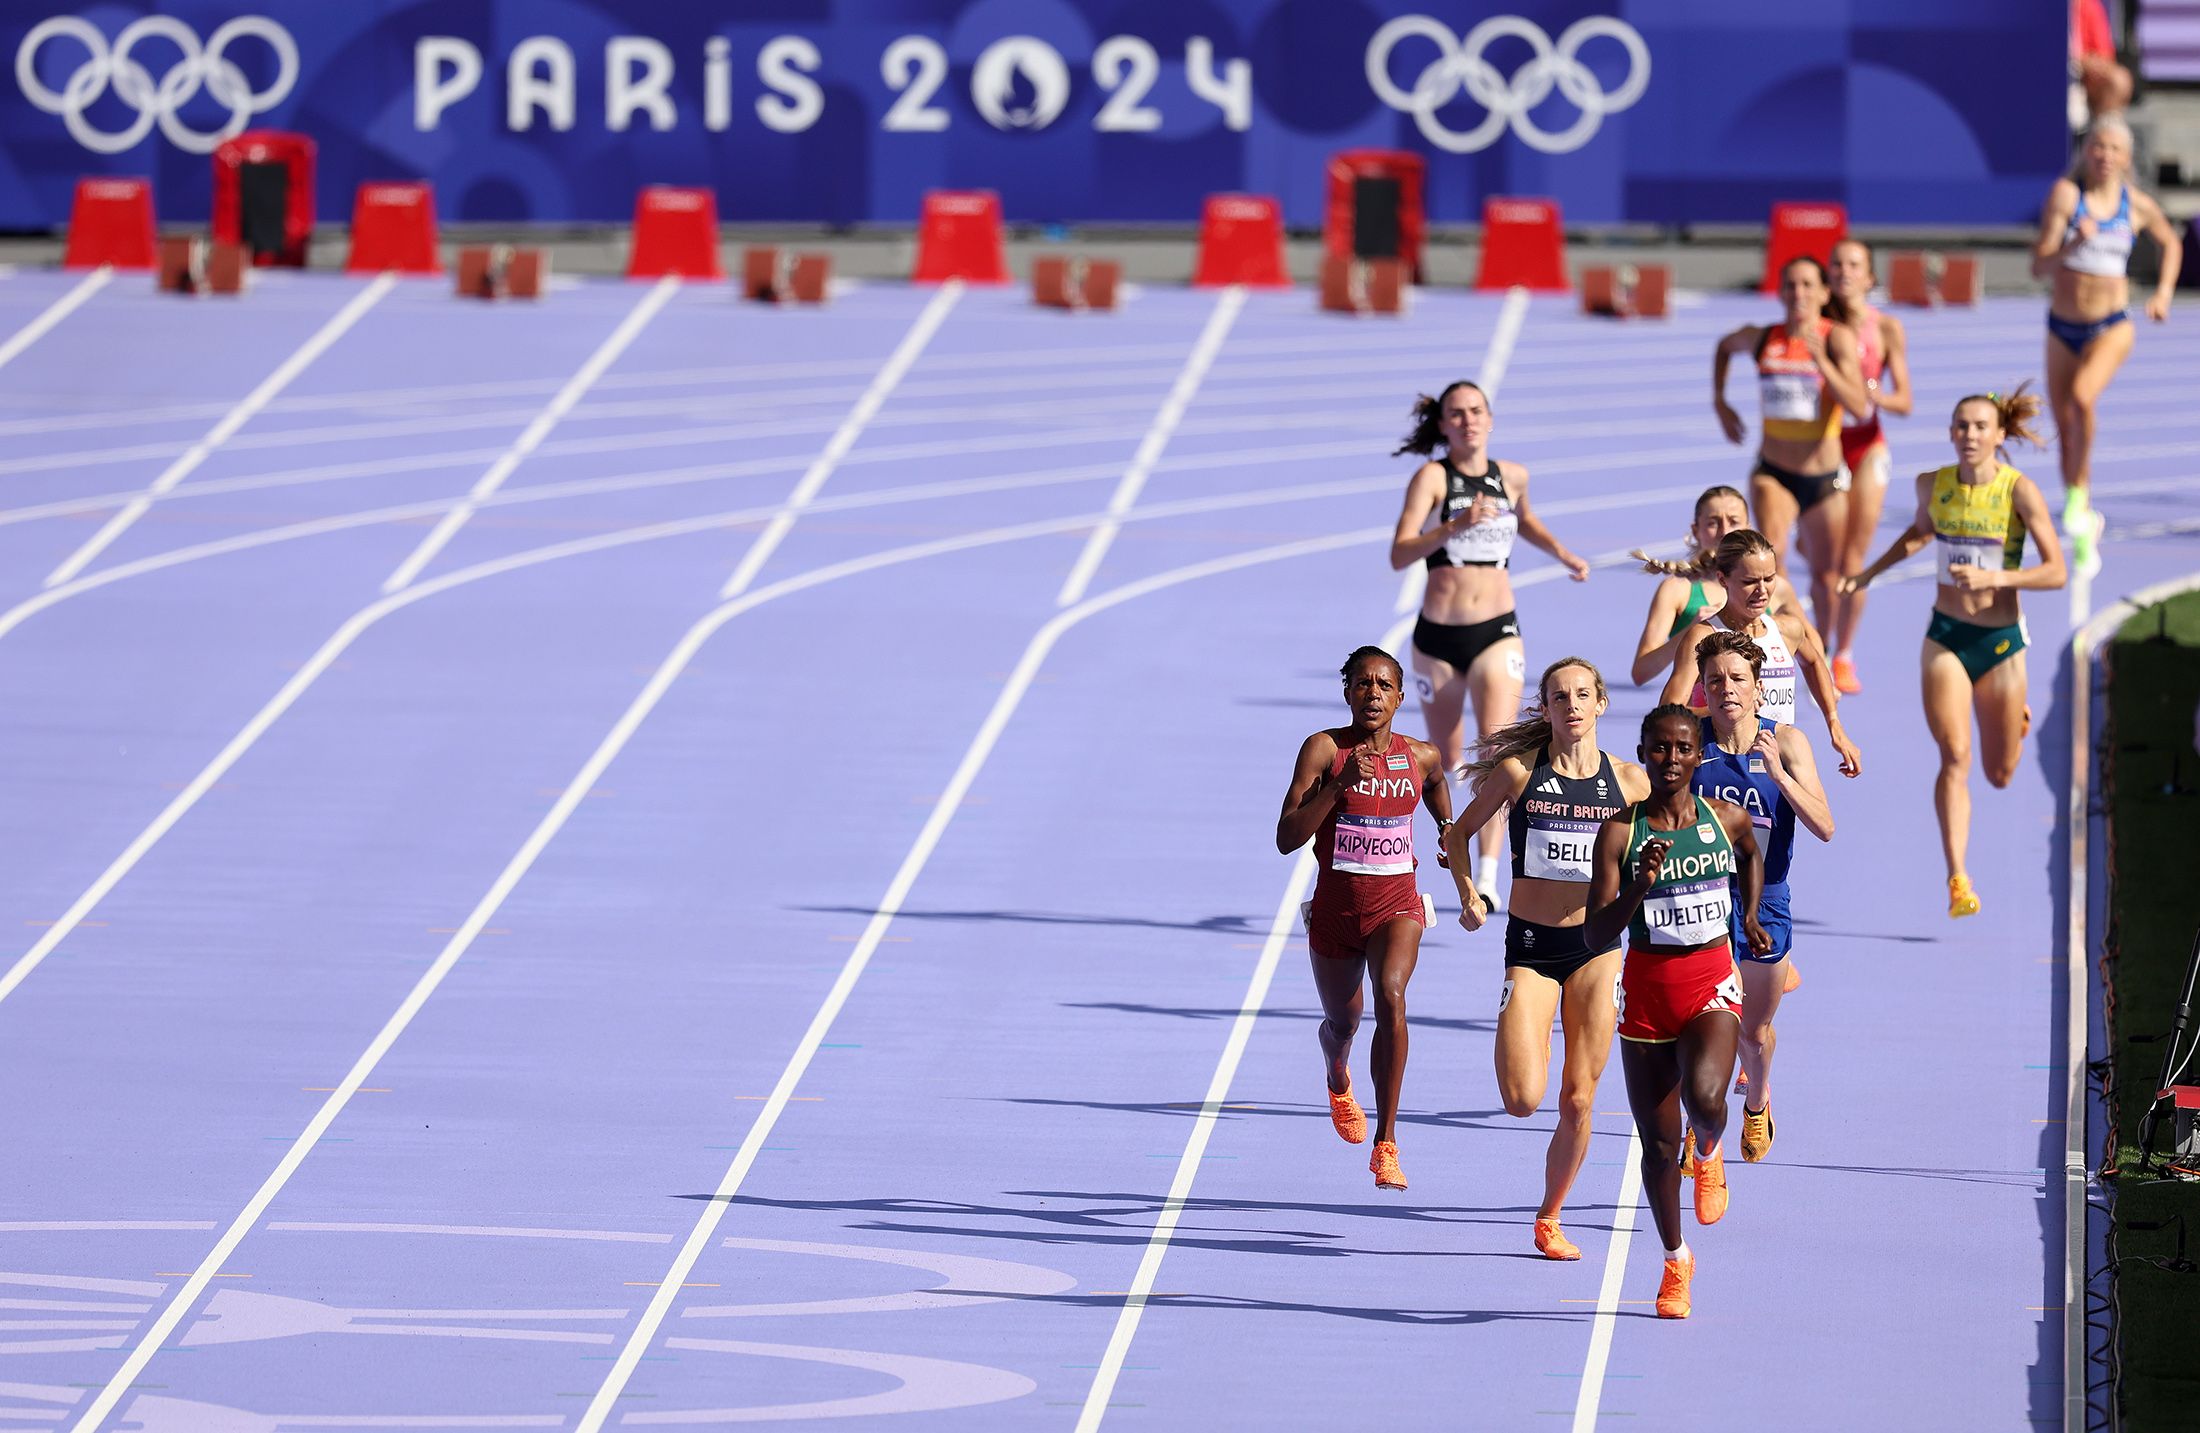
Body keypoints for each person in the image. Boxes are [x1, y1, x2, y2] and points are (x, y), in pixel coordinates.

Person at [1445, 657, 1648, 1259]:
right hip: (1532, 948)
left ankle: (1550, 1215)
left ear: (1601, 704)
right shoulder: (1517, 773)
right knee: (1522, 1099)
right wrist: (1469, 893)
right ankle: (1523, 1026)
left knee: (1579, 1098)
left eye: (1583, 695)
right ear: (1547, 709)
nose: (1573, 706)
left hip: (1598, 951)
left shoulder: (1630, 783)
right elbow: (1457, 833)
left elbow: (1679, 833)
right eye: (1560, 697)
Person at [1841, 389, 2066, 917]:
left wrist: (1998, 576)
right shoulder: (1934, 485)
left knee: (2000, 772)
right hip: (1945, 637)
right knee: (1955, 756)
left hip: (2002, 641)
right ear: (1950, 433)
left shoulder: (2019, 491)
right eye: (1961, 425)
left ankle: (2015, 719)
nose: (1969, 435)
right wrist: (1870, 573)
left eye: (1980, 426)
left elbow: (2056, 571)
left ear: (1999, 436)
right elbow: (1920, 534)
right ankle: (1958, 877)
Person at [1584, 705, 1769, 1320]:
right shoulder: (1619, 832)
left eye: (1682, 749)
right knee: (1659, 1148)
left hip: (1710, 981)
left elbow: (1749, 854)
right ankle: (1675, 1259)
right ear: (1643, 752)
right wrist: (1638, 885)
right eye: (1658, 749)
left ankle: (1710, 1151)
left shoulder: (1724, 819)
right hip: (1646, 993)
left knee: (1709, 1098)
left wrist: (1747, 916)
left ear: (1698, 756)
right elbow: (1594, 933)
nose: (1670, 760)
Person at [1388, 381, 1592, 914]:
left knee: (1495, 753)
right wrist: (1454, 524)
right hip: (1438, 637)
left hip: (1498, 629)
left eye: (1476, 411)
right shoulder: (1432, 477)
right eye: (1456, 414)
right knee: (1444, 759)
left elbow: (1525, 520)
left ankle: (1488, 873)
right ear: (1443, 425)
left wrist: (1563, 553)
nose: (1467, 421)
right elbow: (1398, 553)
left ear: (1491, 419)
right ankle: (1435, 856)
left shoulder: (1512, 476)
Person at [1276, 646, 1454, 1189]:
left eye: (1383, 685)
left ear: (1400, 697)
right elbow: (1286, 838)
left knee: (1392, 997)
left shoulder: (1419, 756)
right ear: (1347, 691)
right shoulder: (1324, 750)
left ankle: (1386, 1142)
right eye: (1361, 684)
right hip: (1336, 911)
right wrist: (1336, 787)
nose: (1372, 693)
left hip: (1396, 905)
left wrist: (1447, 828)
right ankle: (1336, 1073)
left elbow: (1437, 785)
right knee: (1343, 1022)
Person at [1690, 630, 1835, 1163]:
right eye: (1714, 680)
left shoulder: (1789, 742)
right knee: (1703, 1026)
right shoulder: (1691, 741)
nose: (1726, 689)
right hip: (1700, 899)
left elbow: (1824, 825)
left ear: (1757, 688)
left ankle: (1756, 1102)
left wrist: (1777, 773)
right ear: (1703, 689)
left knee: (1753, 1031)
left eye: (1736, 679)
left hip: (1766, 901)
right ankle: (1700, 1127)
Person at [2032, 113, 2182, 578]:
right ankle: (2082, 521)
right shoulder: (2066, 197)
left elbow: (2170, 243)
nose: (2105, 156)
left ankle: (2079, 498)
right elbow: (2039, 267)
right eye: (2098, 147)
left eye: (2115, 149)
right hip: (2063, 326)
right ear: (2086, 151)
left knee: (2082, 399)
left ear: (2126, 158)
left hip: (2111, 325)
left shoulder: (2135, 205)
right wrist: (2073, 243)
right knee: (2063, 431)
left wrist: (2162, 293)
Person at [1711, 256, 1873, 640]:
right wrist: (1720, 401)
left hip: (1824, 478)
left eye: (1806, 285)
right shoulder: (1765, 338)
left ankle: (1825, 647)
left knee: (1825, 574)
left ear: (1823, 292)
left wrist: (1823, 363)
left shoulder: (1836, 338)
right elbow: (1724, 345)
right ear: (1781, 291)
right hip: (1774, 472)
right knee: (1773, 557)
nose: (1798, 293)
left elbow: (1859, 406)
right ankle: (1766, 644)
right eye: (1790, 285)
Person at [1660, 528, 1863, 779]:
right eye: (1749, 582)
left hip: (1777, 767)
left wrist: (1834, 723)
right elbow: (1667, 712)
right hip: (1719, 766)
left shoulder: (1786, 629)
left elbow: (1813, 663)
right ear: (1723, 580)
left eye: (1769, 578)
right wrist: (1726, 708)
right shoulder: (1703, 636)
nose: (1762, 590)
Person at [1827, 238, 1914, 694]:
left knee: (1852, 559)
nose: (1844, 271)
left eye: (1854, 264)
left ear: (1870, 276)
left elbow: (1905, 400)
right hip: (1823, 446)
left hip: (1867, 446)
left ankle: (1843, 654)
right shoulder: (1817, 322)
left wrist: (1871, 394)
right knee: (1822, 555)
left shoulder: (1887, 328)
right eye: (1837, 264)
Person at [1628, 485, 1801, 688]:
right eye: (1713, 523)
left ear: (1748, 527)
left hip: (1762, 714)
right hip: (1702, 713)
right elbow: (1641, 672)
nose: (1724, 531)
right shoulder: (1678, 590)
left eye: (1734, 521)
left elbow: (1812, 648)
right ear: (1696, 530)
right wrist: (1692, 632)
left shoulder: (1773, 587)